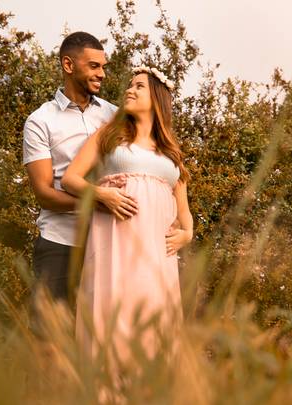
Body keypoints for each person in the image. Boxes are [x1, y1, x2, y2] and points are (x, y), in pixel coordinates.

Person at [61, 65, 193, 365]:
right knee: (111, 319)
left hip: (157, 256)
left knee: (152, 324)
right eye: (129, 86)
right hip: (114, 245)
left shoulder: (171, 153)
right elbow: (71, 179)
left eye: (138, 86)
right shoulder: (109, 136)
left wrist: (185, 235)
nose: (129, 90)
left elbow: (185, 216)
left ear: (157, 97)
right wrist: (103, 194)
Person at [22, 32, 118, 302]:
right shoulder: (40, 121)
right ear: (68, 65)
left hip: (109, 243)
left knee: (104, 335)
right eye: (94, 66)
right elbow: (44, 193)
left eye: (103, 67)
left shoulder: (114, 116)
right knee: (50, 337)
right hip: (59, 244)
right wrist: (97, 203)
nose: (102, 74)